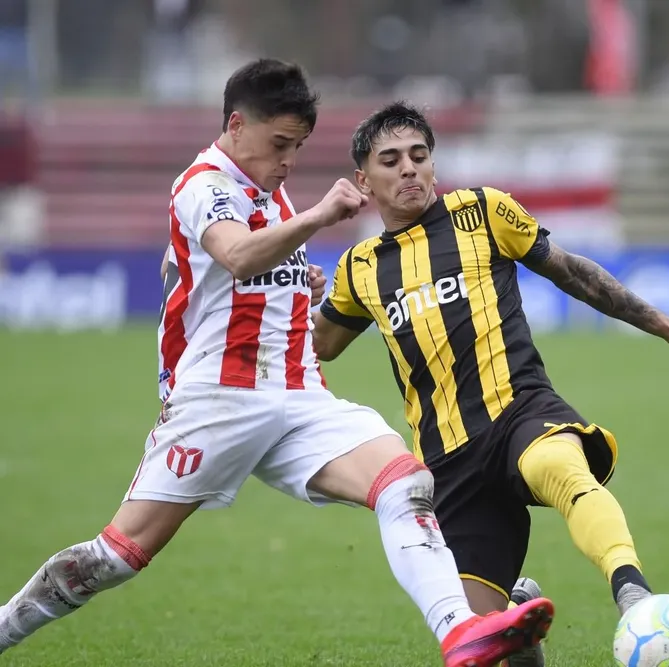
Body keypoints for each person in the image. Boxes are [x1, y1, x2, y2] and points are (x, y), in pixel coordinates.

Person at [0, 59, 554, 667]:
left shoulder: (268, 189)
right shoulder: (204, 185)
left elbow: (219, 270)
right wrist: (317, 217)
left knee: (405, 480)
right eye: (280, 144)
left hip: (298, 396)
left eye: (298, 147)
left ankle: (460, 631)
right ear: (237, 125)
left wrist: (298, 281)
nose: (289, 160)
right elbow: (237, 255)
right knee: (117, 555)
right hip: (220, 401)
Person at [312, 101, 669, 666]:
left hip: (519, 408)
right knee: (479, 643)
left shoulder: (482, 212)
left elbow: (571, 271)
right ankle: (519, 615)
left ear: (434, 165)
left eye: (419, 155)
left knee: (560, 468)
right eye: (390, 160)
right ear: (364, 180)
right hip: (448, 458)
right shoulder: (359, 268)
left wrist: (665, 326)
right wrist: (292, 296)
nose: (409, 168)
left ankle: (634, 595)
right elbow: (320, 346)